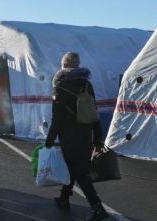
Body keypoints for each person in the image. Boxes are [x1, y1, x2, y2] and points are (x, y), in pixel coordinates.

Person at [45, 52, 109, 221]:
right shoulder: (87, 85)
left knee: (80, 172)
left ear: (63, 66)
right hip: (86, 135)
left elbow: (56, 118)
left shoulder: (59, 87)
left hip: (69, 137)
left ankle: (97, 207)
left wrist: (49, 140)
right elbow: (93, 112)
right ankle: (64, 197)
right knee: (73, 167)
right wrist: (98, 137)